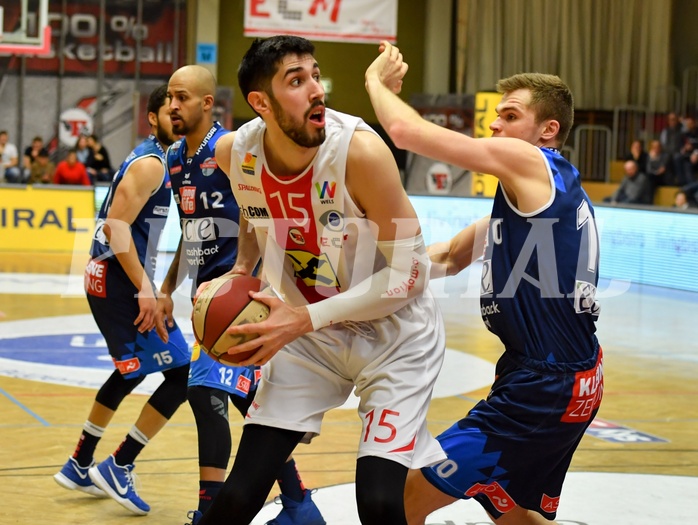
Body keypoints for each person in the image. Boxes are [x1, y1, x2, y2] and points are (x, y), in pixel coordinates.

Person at [198, 36, 446, 525]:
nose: (316, 89)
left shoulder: (360, 152)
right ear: (260, 104)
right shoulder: (234, 152)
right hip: (309, 335)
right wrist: (241, 270)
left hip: (394, 335)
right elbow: (253, 212)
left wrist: (302, 319)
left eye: (315, 75)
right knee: (238, 495)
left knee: (377, 503)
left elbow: (411, 275)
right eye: (297, 80)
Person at [365, 42, 604, 525]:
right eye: (496, 115)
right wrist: (356, 279)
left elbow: (404, 130)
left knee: (403, 502)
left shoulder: (532, 163)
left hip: (544, 384)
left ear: (547, 130)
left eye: (510, 116)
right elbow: (450, 257)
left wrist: (375, 83)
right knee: (511, 514)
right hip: (559, 376)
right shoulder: (540, 191)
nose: (495, 125)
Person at [154, 64, 325, 525]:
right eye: (170, 96)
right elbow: (191, 233)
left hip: (246, 296)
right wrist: (168, 288)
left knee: (205, 392)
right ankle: (299, 504)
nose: (172, 104)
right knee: (253, 406)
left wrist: (252, 275)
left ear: (208, 104)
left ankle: (211, 511)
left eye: (182, 97)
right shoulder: (174, 157)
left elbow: (263, 208)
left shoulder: (230, 148)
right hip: (208, 299)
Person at [53, 85, 190, 516]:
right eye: (169, 109)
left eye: (181, 107)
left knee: (131, 371)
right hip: (118, 282)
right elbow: (115, 227)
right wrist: (146, 289)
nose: (177, 114)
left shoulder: (160, 159)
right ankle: (119, 464)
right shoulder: (151, 163)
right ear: (152, 118)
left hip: (109, 277)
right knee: (182, 375)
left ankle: (79, 462)